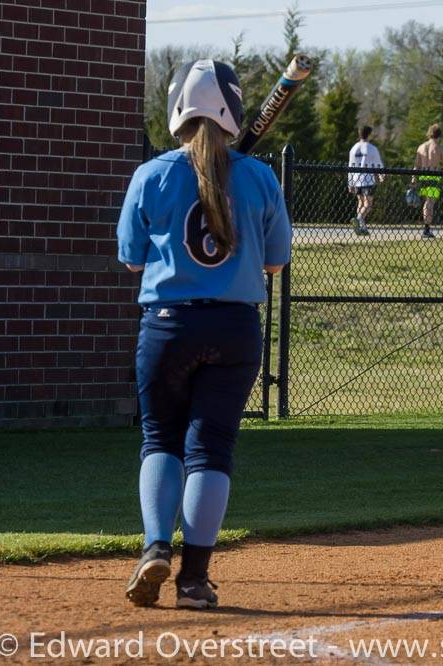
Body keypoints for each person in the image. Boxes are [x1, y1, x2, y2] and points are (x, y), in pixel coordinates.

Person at [116, 59, 292, 610]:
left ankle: (153, 547)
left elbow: (130, 260)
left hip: (167, 327)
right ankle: (194, 580)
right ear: (234, 111)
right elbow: (276, 263)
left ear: (176, 111)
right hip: (235, 328)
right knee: (210, 449)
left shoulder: (151, 174)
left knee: (160, 441)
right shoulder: (259, 176)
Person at [411, 123, 443, 239]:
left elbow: (416, 165)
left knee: (427, 202)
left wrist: (413, 178)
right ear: (439, 135)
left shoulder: (421, 147)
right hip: (433, 176)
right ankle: (426, 228)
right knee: (430, 203)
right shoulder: (440, 149)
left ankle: (426, 226)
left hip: (423, 176)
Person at [347, 125, 384, 236]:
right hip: (368, 179)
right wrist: (382, 175)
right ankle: (358, 219)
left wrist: (350, 182)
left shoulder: (353, 148)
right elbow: (378, 163)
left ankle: (361, 227)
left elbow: (350, 166)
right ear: (369, 134)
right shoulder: (371, 148)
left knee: (361, 202)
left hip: (356, 179)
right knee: (368, 204)